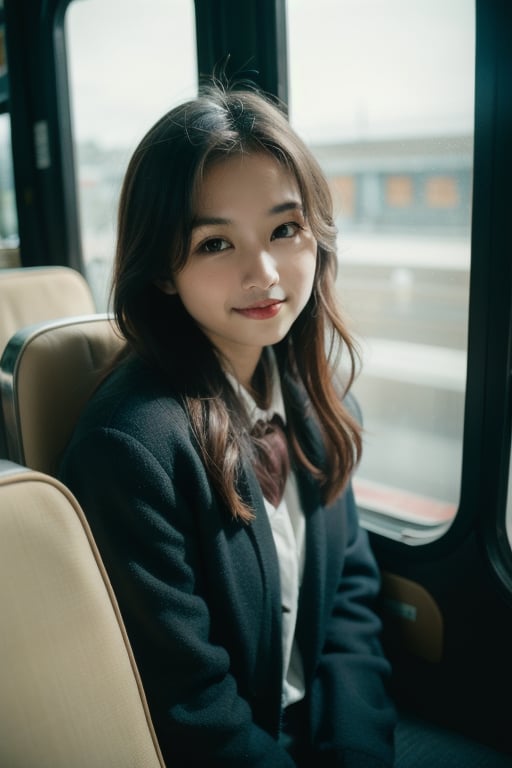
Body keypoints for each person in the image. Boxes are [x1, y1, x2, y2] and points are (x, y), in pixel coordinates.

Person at [58, 82, 397, 767]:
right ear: (161, 270)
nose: (265, 272)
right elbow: (187, 705)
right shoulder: (132, 448)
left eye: (284, 229)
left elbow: (349, 606)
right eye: (216, 243)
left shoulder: (321, 404)